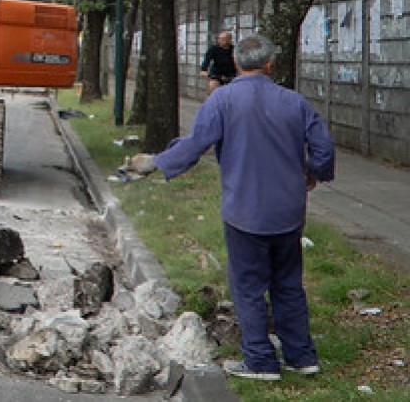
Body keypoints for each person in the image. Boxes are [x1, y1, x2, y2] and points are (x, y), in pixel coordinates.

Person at [124, 34, 335, 381]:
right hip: (288, 212)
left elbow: (194, 145)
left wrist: (156, 163)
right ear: (270, 65)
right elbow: (324, 149)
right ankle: (301, 356)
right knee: (288, 284)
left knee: (248, 286)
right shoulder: (295, 102)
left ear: (236, 63)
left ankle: (260, 361)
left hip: (245, 212)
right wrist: (313, 174)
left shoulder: (222, 100)